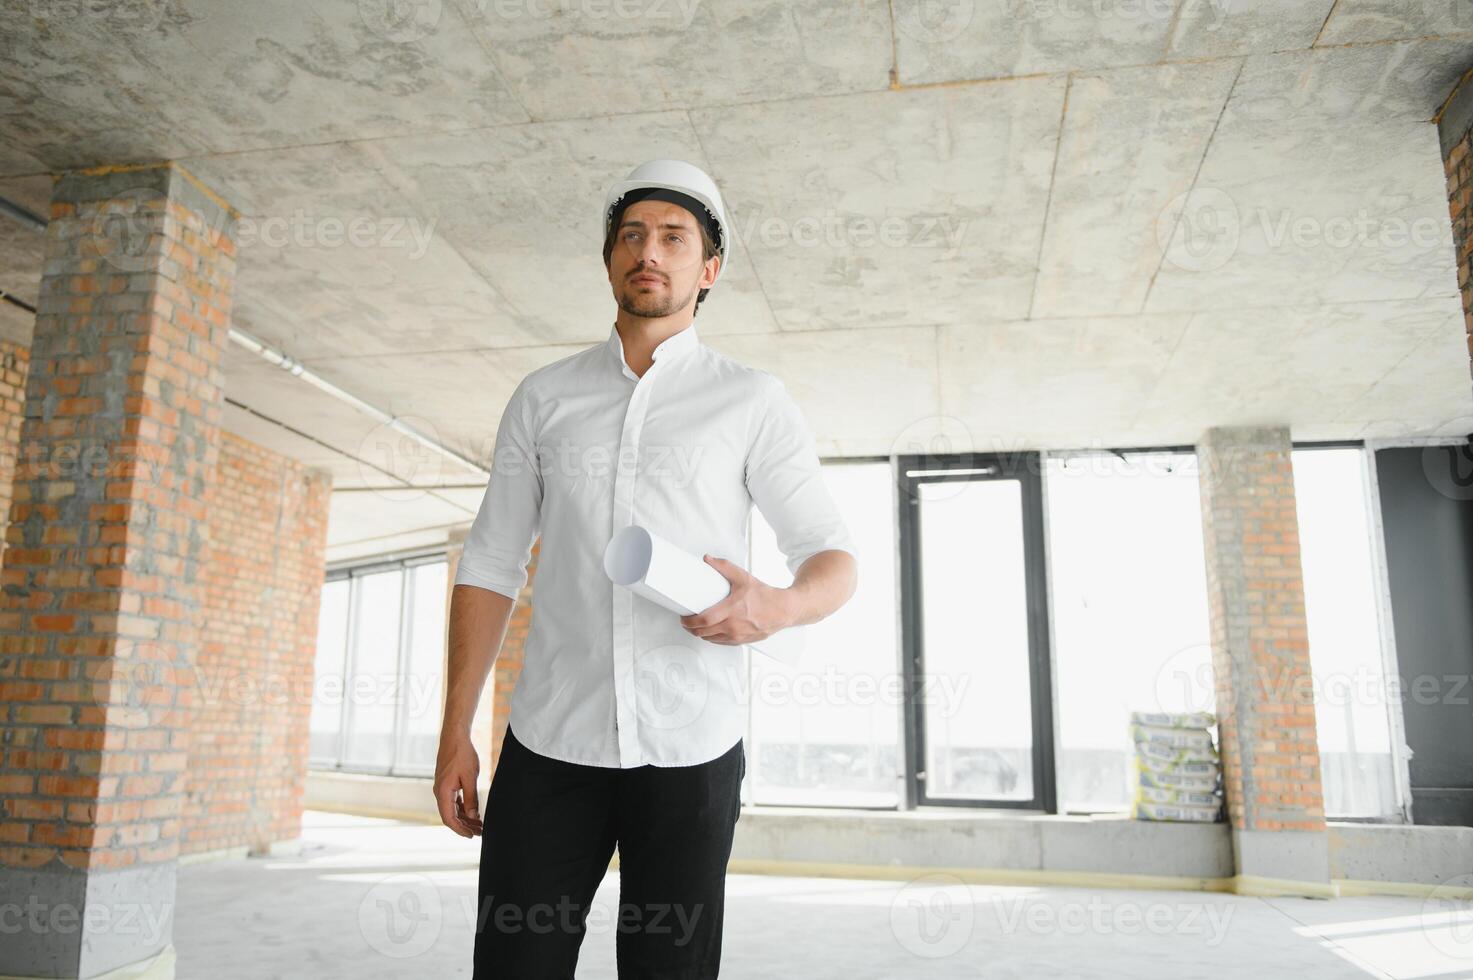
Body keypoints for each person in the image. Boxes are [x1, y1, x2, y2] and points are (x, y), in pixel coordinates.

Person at [434, 159, 859, 979]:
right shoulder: (544, 397)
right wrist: (456, 728)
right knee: (514, 962)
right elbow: (490, 560)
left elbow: (832, 558)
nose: (648, 252)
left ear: (709, 270)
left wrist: (776, 606)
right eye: (631, 236)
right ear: (608, 260)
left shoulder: (751, 400)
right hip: (550, 743)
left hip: (691, 749)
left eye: (673, 237)